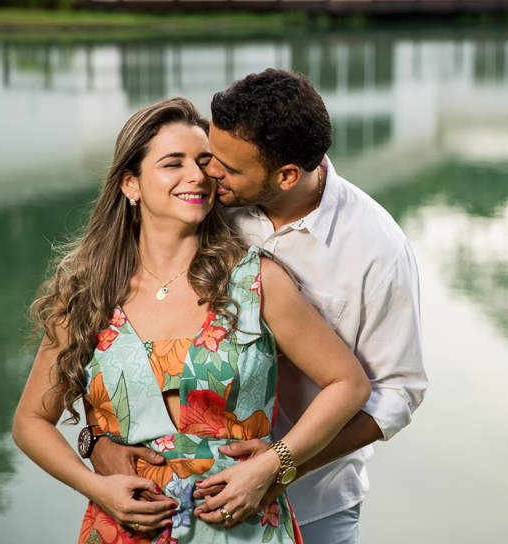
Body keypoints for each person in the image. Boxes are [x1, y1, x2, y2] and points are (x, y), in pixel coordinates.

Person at [90, 69, 428, 544]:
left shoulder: (378, 249)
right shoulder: (207, 203)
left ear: (286, 175)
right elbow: (117, 332)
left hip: (316, 501)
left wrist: (280, 466)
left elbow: (397, 392)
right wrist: (96, 439)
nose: (208, 174)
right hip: (173, 501)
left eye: (225, 167)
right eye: (211, 155)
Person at [12, 97, 371, 544]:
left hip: (241, 525)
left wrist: (275, 461)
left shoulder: (257, 281)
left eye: (205, 162)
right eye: (172, 163)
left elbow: (349, 384)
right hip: (126, 528)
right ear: (130, 184)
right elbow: (30, 421)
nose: (197, 175)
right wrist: (96, 486)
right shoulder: (86, 292)